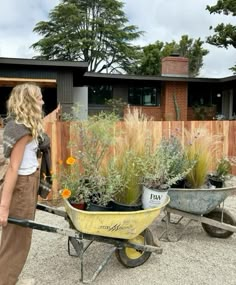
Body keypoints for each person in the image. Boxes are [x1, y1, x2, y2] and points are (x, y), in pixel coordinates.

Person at [0, 83, 45, 285]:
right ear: (28, 101)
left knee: (18, 240)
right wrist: (3, 207)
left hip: (28, 182)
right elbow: (12, 168)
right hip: (22, 186)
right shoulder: (22, 130)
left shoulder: (26, 126)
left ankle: (9, 278)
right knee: (17, 243)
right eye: (39, 98)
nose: (43, 101)